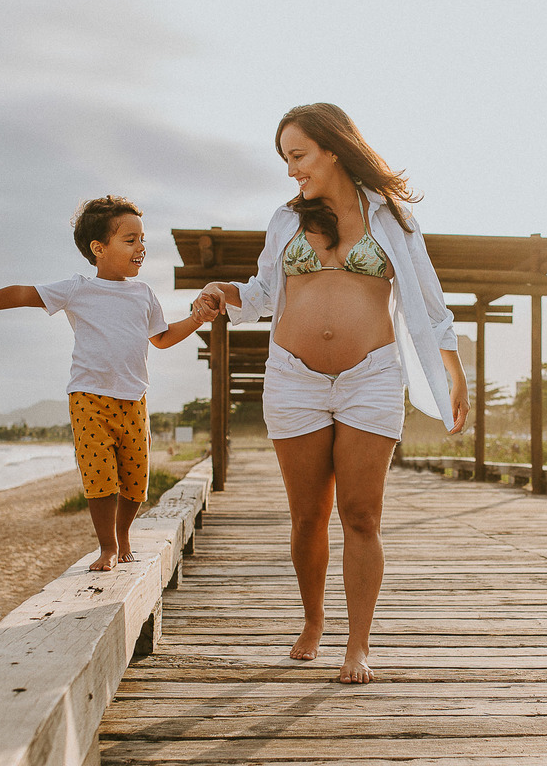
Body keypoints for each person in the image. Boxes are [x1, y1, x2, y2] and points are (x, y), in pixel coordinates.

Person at [197, 103, 469, 684]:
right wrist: (226, 292)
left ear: (334, 149)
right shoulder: (285, 219)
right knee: (307, 517)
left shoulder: (392, 219)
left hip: (370, 377)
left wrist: (453, 369)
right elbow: (266, 293)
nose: (291, 170)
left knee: (362, 514)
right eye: (285, 160)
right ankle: (314, 620)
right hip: (293, 380)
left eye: (298, 156)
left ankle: (358, 645)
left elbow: (429, 298)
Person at [0, 195, 217, 572]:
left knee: (135, 482)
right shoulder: (78, 289)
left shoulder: (143, 294)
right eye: (130, 240)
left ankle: (124, 532)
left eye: (142, 239)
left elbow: (161, 338)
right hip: (88, 399)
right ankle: (108, 546)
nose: (141, 248)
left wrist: (196, 318)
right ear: (99, 248)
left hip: (134, 400)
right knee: (100, 477)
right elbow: (20, 293)